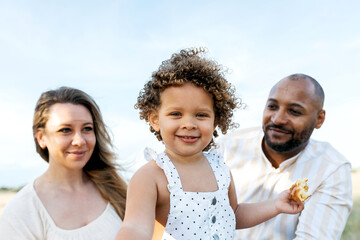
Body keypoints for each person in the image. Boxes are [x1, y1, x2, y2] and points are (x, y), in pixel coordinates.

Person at [116, 48, 304, 240]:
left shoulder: (220, 169)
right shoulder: (150, 177)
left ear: (215, 122)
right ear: (155, 119)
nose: (189, 124)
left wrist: (275, 205)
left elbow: (234, 214)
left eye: (201, 115)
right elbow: (135, 228)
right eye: (175, 114)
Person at [219, 73, 353, 239]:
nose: (278, 119)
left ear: (319, 119)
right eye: (272, 107)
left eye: (294, 111)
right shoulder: (227, 147)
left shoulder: (332, 168)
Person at [0, 87, 127, 239]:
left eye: (87, 128)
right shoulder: (22, 211)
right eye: (65, 130)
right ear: (41, 138)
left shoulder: (117, 190)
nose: (79, 141)